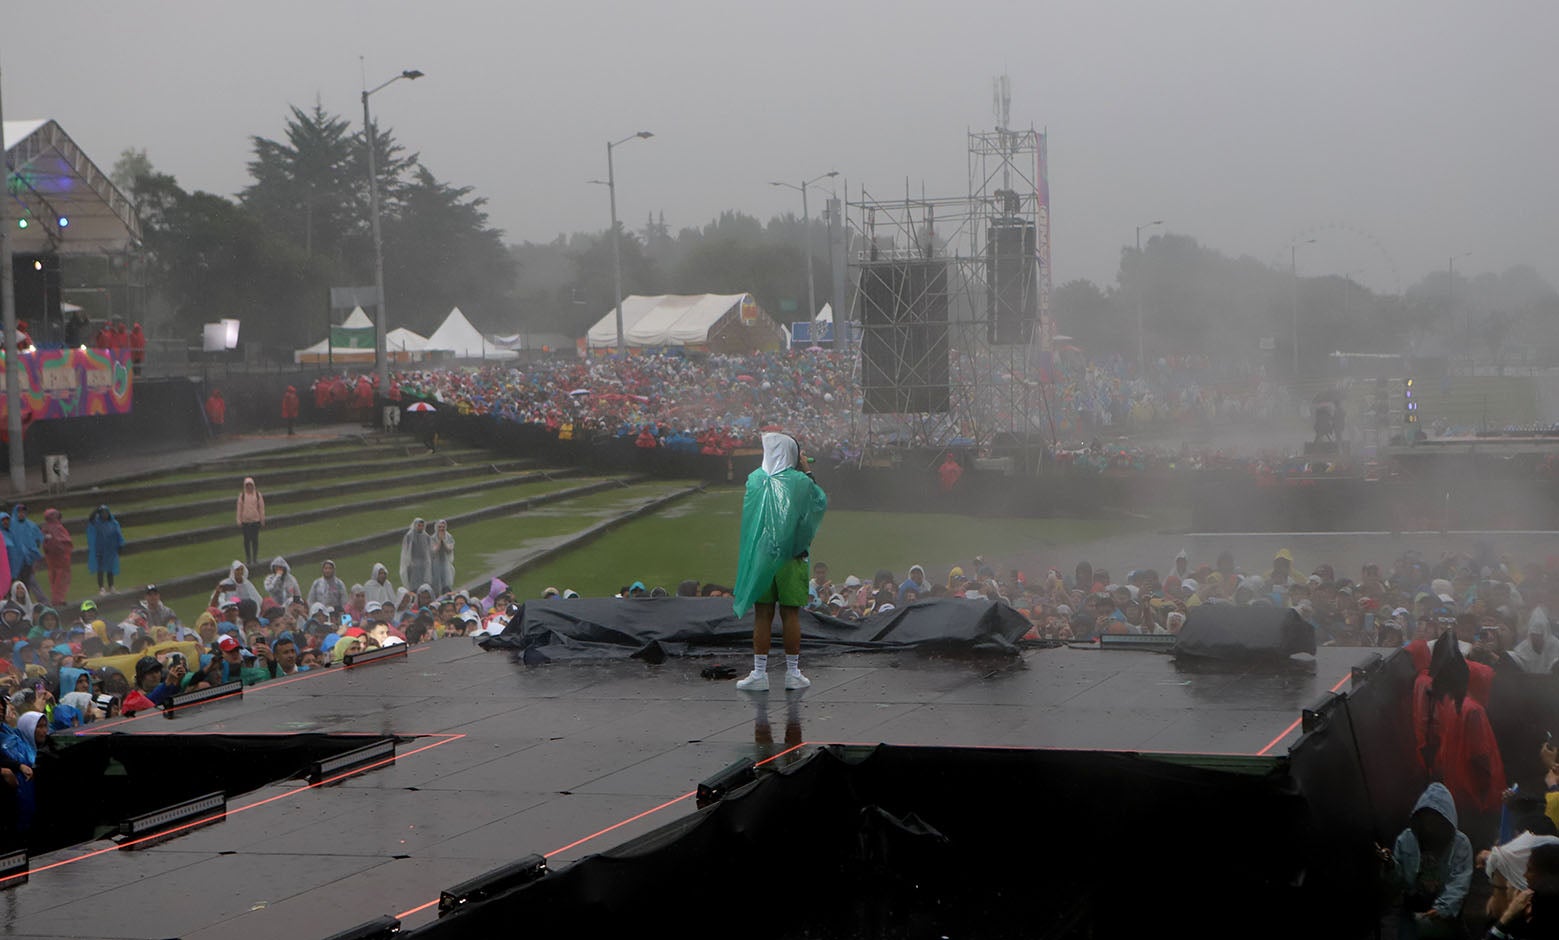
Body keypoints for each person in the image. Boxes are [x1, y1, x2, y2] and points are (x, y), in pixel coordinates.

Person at [732, 432, 828, 692]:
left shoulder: (755, 479)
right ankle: (793, 673)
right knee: (790, 614)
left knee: (762, 614)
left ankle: (759, 673)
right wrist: (806, 471)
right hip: (792, 558)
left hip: (762, 558)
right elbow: (818, 501)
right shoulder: (799, 481)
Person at [1385, 782, 1474, 937]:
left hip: (1447, 916)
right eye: (1426, 818)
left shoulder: (1460, 844)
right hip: (1412, 913)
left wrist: (1443, 908)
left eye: (1436, 818)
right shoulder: (1406, 839)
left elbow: (1460, 881)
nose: (1430, 825)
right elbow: (1399, 881)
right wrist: (1390, 866)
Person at [86, 505, 124, 596]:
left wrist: (120, 546)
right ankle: (101, 588)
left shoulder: (113, 523)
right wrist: (96, 510)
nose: (104, 515)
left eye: (106, 513)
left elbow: (118, 535)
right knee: (100, 569)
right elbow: (90, 519)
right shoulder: (97, 523)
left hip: (111, 550)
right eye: (102, 513)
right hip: (100, 550)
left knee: (110, 569)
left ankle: (111, 587)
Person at [39, 508, 71, 607]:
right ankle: (58, 599)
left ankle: (56, 599)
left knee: (54, 578)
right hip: (61, 558)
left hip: (52, 558)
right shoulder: (58, 528)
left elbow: (45, 543)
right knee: (61, 578)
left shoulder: (45, 528)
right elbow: (65, 542)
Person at [235, 477, 266, 569]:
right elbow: (239, 509)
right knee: (246, 541)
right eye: (247, 485)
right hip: (245, 522)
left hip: (255, 521)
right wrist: (239, 520)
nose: (249, 487)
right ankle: (248, 558)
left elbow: (261, 508)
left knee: (255, 540)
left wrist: (262, 519)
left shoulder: (257, 495)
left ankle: (255, 558)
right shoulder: (242, 496)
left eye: (250, 485)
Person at [400, 519, 433, 592]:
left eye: (422, 526)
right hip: (413, 563)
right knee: (413, 585)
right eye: (419, 525)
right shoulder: (409, 535)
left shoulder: (426, 536)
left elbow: (429, 550)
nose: (420, 527)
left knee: (424, 583)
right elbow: (407, 551)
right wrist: (409, 562)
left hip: (423, 563)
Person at [430, 520, 455, 595]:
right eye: (439, 527)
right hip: (435, 564)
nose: (441, 529)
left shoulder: (449, 536)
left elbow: (449, 549)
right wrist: (440, 541)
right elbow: (433, 551)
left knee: (447, 584)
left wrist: (443, 541)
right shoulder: (432, 538)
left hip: (446, 564)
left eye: (443, 527)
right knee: (436, 585)